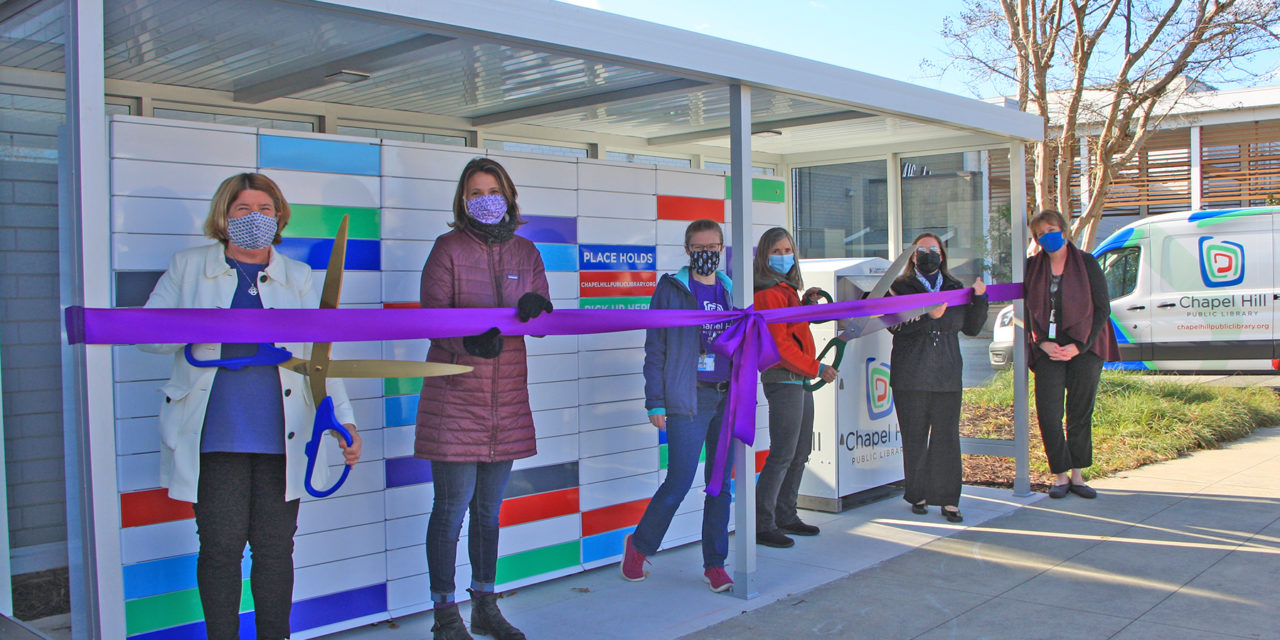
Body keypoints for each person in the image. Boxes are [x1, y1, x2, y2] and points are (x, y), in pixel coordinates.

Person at [141, 172, 362, 640]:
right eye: (242, 209)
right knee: (220, 550)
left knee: (275, 550)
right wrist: (203, 325)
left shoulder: (297, 276)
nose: (255, 218)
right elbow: (146, 336)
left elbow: (321, 355)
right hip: (215, 434)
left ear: (279, 216)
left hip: (282, 436)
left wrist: (344, 421)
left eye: (265, 209)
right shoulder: (188, 265)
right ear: (223, 216)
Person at [417, 157, 552, 640]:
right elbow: (431, 319)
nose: (485, 199)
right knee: (450, 511)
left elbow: (540, 316)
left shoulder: (527, 252)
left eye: (492, 190)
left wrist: (539, 310)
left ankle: (485, 605)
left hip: (507, 404)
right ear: (462, 201)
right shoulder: (447, 248)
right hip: (454, 402)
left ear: (509, 195)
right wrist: (466, 343)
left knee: (489, 515)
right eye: (475, 193)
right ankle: (444, 615)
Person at [622, 218, 736, 592]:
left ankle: (715, 563)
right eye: (700, 248)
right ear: (688, 251)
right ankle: (639, 547)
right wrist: (655, 401)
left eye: (713, 247)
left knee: (720, 485)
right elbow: (655, 346)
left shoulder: (730, 288)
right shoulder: (671, 288)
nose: (707, 254)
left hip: (726, 396)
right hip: (688, 397)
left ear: (722, 249)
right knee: (680, 480)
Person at [888, 233, 988, 523]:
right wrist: (925, 316)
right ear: (913, 256)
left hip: (946, 373)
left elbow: (970, 327)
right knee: (915, 436)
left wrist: (980, 299)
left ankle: (948, 500)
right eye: (922, 250)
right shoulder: (899, 287)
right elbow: (893, 326)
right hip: (911, 374)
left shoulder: (955, 287)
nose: (928, 254)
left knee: (947, 437)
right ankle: (917, 493)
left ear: (942, 256)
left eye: (934, 249)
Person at [751, 227, 836, 548]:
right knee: (784, 453)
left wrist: (805, 303)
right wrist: (817, 368)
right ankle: (762, 523)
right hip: (784, 379)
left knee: (800, 452)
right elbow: (781, 346)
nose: (784, 256)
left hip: (797, 380)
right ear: (764, 256)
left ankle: (786, 514)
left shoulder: (783, 291)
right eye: (777, 251)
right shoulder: (767, 294)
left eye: (788, 250)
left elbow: (792, 329)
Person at [1025, 209, 1119, 499]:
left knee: (1080, 412)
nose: (1046, 237)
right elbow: (1025, 311)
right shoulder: (1031, 267)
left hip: (1085, 347)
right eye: (1040, 234)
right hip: (1048, 347)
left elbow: (1103, 308)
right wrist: (1041, 343)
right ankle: (1060, 475)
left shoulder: (1087, 264)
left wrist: (1079, 346)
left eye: (1051, 230)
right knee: (1049, 414)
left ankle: (1078, 475)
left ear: (1064, 231)